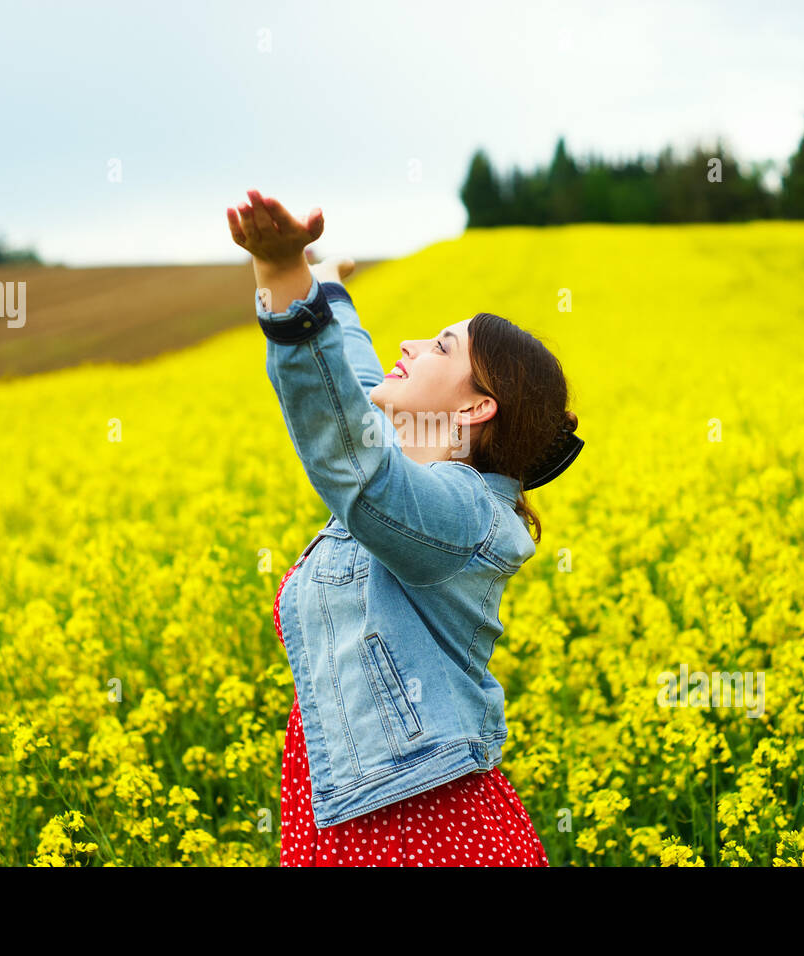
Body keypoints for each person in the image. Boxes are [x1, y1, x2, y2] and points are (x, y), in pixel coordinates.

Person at [226, 189, 584, 866]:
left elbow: (357, 465)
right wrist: (323, 297)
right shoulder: (424, 488)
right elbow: (358, 399)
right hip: (356, 813)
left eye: (442, 347)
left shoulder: (463, 515)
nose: (413, 344)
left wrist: (286, 285)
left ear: (479, 406)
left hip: (420, 830)